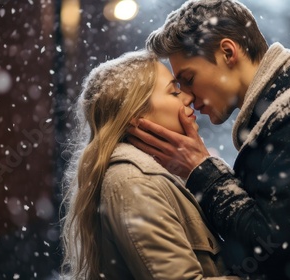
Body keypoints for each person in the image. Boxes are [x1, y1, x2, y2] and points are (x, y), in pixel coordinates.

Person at [127, 0, 290, 279]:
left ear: (228, 52)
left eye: (189, 78)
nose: (188, 96)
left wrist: (202, 170)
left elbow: (273, 249)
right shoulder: (285, 114)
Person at [60, 50, 240, 279]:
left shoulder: (158, 175)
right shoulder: (132, 183)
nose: (189, 98)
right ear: (136, 115)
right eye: (175, 92)